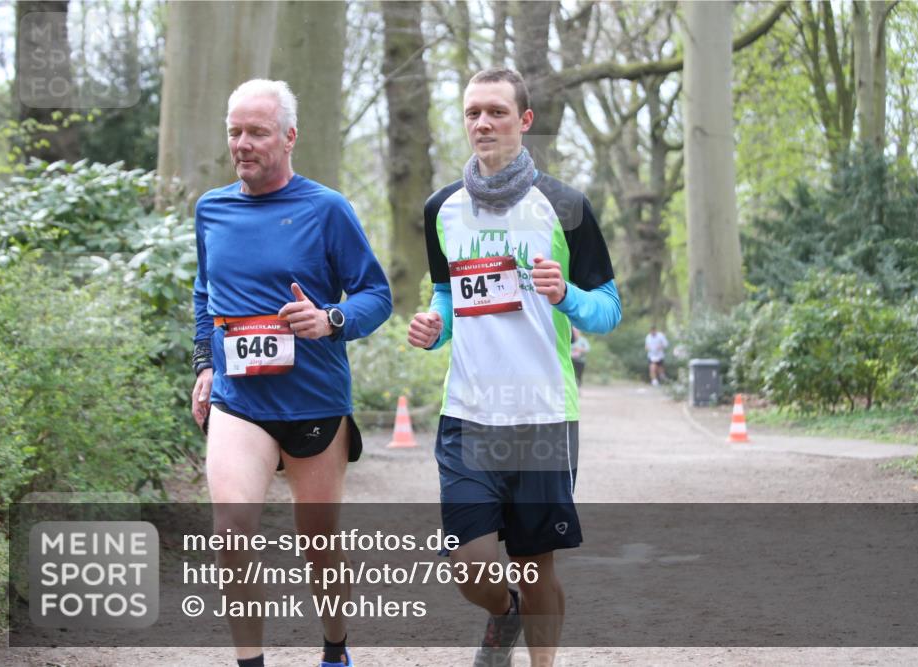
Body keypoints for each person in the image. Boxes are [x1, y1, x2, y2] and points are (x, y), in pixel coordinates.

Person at [407, 68, 621, 667]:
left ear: (524, 121)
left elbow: (609, 310)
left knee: (536, 565)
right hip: (468, 416)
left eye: (497, 111)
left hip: (543, 414)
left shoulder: (565, 207)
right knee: (469, 565)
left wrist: (568, 299)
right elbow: (449, 297)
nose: (483, 123)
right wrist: (433, 325)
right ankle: (504, 614)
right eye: (473, 111)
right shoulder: (441, 209)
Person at [190, 79, 391, 667]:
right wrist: (205, 363)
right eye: (235, 132)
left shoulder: (326, 209)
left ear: (289, 136)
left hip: (314, 403)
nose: (243, 144)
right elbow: (205, 293)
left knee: (319, 546)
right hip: (239, 400)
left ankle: (335, 649)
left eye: (256, 132)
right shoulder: (212, 209)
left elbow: (376, 295)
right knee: (232, 530)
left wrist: (330, 318)